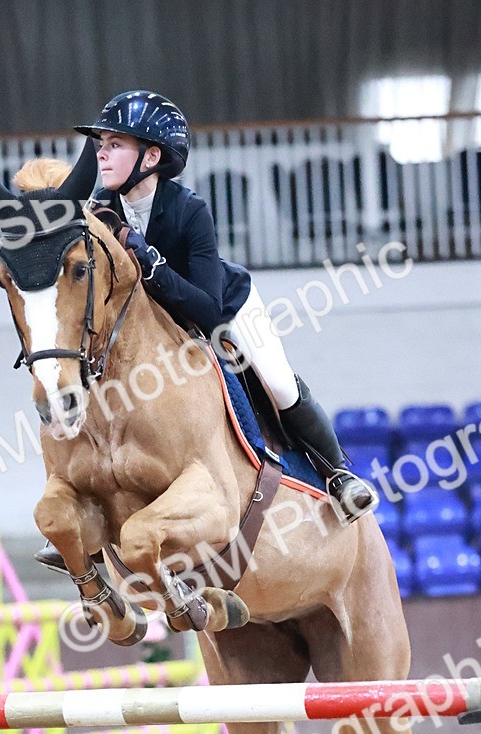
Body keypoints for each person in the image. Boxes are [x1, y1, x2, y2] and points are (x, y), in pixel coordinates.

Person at [78, 91, 375, 520]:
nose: (101, 155)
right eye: (100, 145)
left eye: (114, 145)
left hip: (223, 307)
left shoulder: (189, 210)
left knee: (277, 382)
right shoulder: (99, 206)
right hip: (154, 323)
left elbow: (208, 310)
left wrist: (149, 260)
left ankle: (339, 475)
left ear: (150, 156)